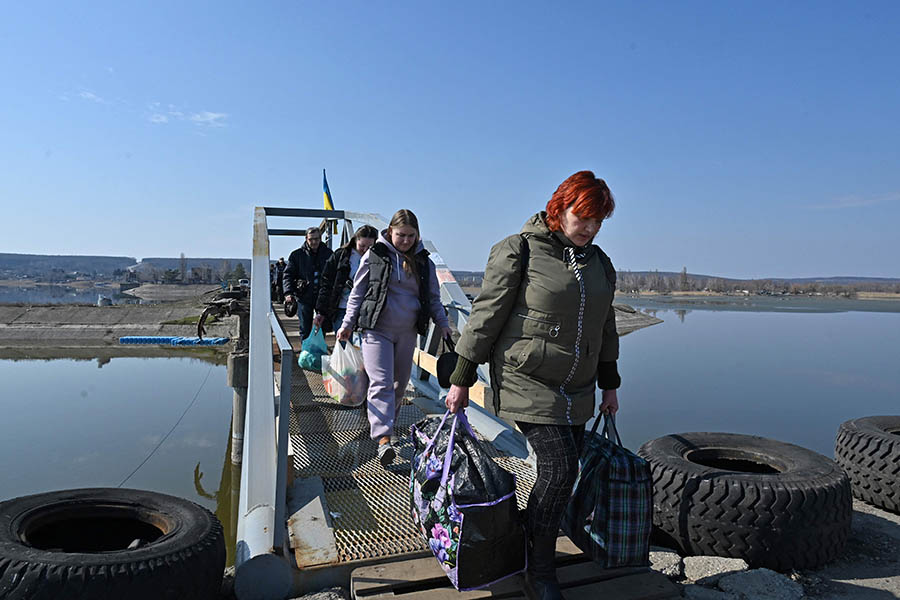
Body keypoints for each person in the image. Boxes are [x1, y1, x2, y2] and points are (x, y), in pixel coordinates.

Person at [444, 171, 620, 600]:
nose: (591, 228)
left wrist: (609, 384)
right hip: (527, 378)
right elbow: (486, 313)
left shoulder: (599, 263)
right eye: (584, 217)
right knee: (560, 469)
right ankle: (539, 569)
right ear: (559, 208)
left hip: (577, 386)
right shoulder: (519, 249)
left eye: (599, 221)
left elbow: (605, 324)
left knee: (562, 474)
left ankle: (525, 537)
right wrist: (462, 378)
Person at [337, 210, 452, 467]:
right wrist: (346, 324)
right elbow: (358, 293)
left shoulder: (424, 262)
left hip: (407, 330)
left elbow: (434, 298)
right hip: (377, 329)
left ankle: (386, 423)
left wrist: (443, 324)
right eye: (401, 235)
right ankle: (383, 439)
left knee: (399, 386)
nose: (406, 241)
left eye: (412, 236)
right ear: (390, 231)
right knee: (381, 382)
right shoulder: (375, 256)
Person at [313, 225, 378, 333]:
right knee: (344, 345)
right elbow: (326, 283)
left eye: (370, 247)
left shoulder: (379, 259)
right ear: (355, 240)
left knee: (365, 347)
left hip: (367, 310)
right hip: (341, 308)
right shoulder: (340, 256)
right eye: (362, 245)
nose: (365, 250)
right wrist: (321, 311)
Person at [283, 227, 333, 340]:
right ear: (306, 239)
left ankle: (319, 351)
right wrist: (288, 293)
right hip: (304, 296)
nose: (314, 242)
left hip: (322, 296)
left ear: (321, 239)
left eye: (316, 239)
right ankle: (305, 353)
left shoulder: (329, 254)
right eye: (311, 239)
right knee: (305, 328)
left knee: (322, 327)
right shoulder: (297, 255)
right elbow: (288, 275)